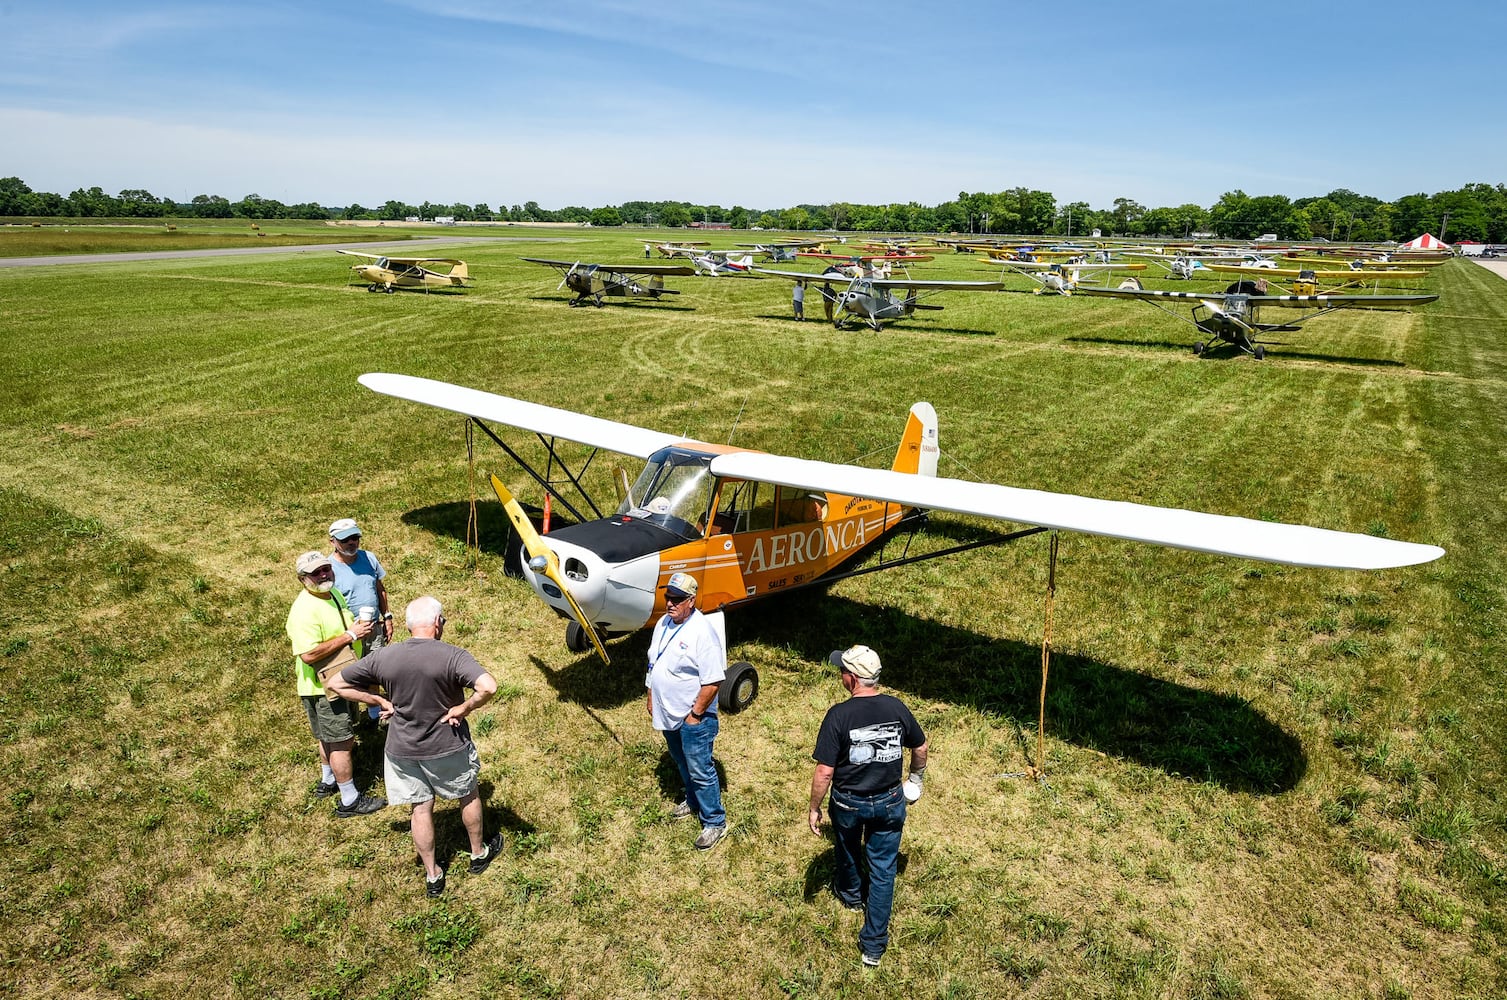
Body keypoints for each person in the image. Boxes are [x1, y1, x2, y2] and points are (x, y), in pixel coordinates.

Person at [326, 596, 502, 897]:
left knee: (420, 808)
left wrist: (378, 700)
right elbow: (489, 686)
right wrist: (464, 708)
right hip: (448, 745)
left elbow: (335, 683)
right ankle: (477, 853)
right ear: (438, 623)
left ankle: (433, 875)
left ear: (409, 627)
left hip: (402, 749)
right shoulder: (453, 655)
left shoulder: (385, 657)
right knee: (467, 794)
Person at [808, 644, 928, 968]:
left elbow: (825, 771)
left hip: (848, 803)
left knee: (847, 848)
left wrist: (814, 808)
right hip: (890, 800)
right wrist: (915, 781)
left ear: (852, 678)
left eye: (842, 670)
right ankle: (873, 947)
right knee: (883, 869)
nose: (841, 675)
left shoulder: (838, 716)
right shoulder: (897, 708)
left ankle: (849, 896)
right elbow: (921, 745)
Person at [284, 551, 386, 818]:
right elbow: (308, 655)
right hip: (323, 688)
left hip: (338, 680)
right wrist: (349, 635)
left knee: (326, 737)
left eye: (326, 569)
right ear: (302, 579)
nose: (324, 575)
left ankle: (328, 780)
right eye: (316, 573)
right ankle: (350, 800)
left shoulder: (333, 594)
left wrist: (356, 628)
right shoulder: (303, 610)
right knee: (342, 740)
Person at [646, 572, 727, 850]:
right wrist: (651, 694)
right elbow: (653, 662)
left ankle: (715, 821)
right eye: (668, 597)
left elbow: (714, 680)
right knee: (680, 760)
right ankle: (692, 801)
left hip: (693, 717)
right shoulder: (663, 623)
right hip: (667, 711)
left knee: (700, 768)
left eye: (677, 599)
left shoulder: (702, 632)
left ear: (691, 601)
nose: (670, 603)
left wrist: (695, 715)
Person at [328, 517, 393, 721]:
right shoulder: (327, 569)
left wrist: (387, 617)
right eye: (345, 539)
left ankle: (374, 712)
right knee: (350, 672)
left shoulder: (369, 558)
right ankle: (350, 713)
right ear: (333, 542)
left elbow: (379, 588)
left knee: (376, 668)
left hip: (374, 627)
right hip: (348, 632)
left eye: (355, 537)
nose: (352, 542)